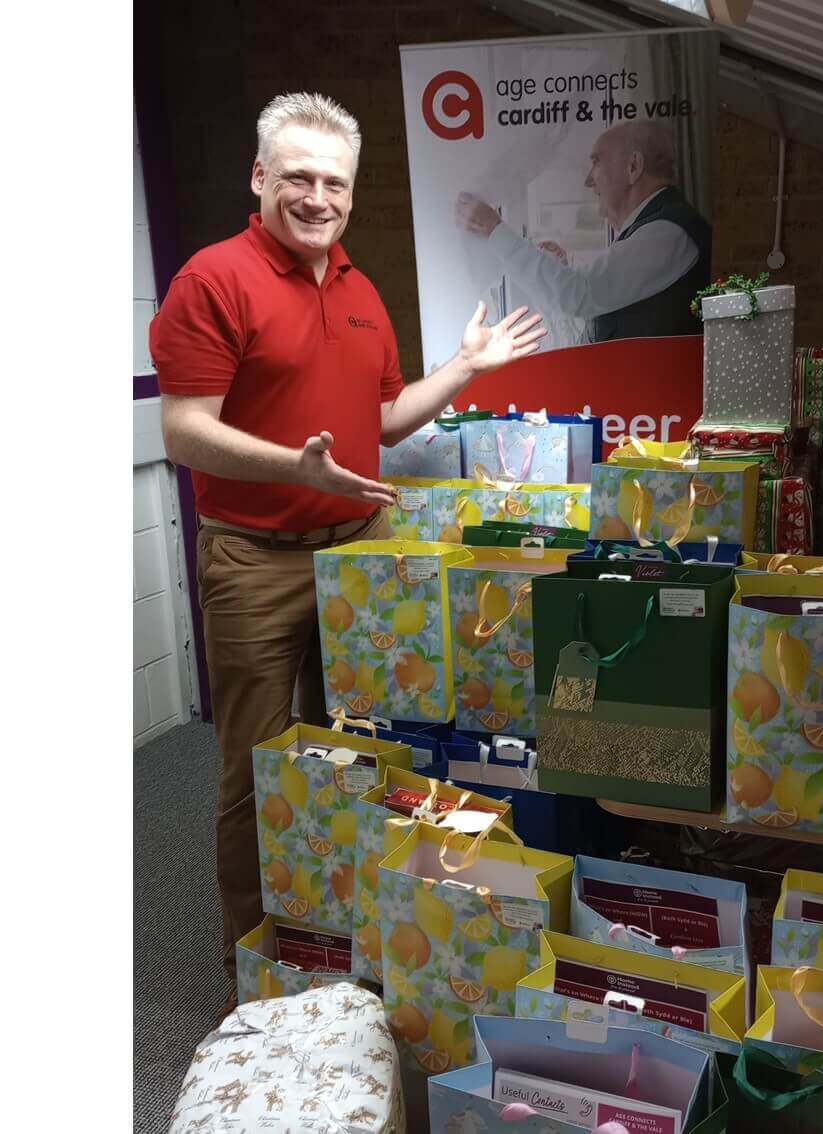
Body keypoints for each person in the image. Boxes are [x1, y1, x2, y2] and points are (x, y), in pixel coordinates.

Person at [150, 91, 545, 1012]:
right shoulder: (212, 280)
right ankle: (254, 963)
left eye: (333, 182)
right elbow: (182, 429)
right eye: (297, 176)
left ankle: (361, 929)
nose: (316, 196)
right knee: (259, 764)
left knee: (371, 743)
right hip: (254, 557)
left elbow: (378, 418)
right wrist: (299, 467)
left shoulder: (361, 292)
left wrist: (464, 370)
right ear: (260, 178)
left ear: (351, 194)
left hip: (360, 547)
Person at [454, 120, 711, 343]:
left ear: (633, 166)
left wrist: (494, 230)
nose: (588, 180)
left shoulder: (666, 233)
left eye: (596, 162)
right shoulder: (660, 229)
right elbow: (601, 302)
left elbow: (579, 294)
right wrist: (565, 267)